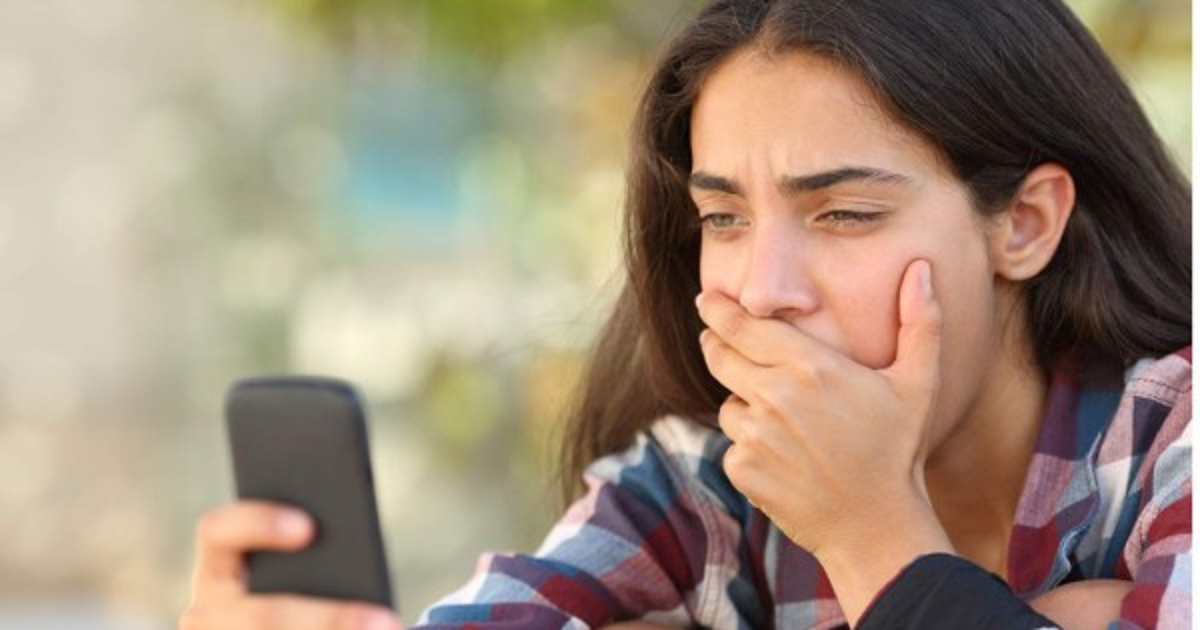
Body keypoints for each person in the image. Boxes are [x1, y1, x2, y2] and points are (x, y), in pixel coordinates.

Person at [179, 0, 1191, 629]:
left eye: (844, 213)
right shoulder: (700, 483)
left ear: (1024, 223)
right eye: (723, 218)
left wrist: (875, 538)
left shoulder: (1172, 440)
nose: (763, 288)